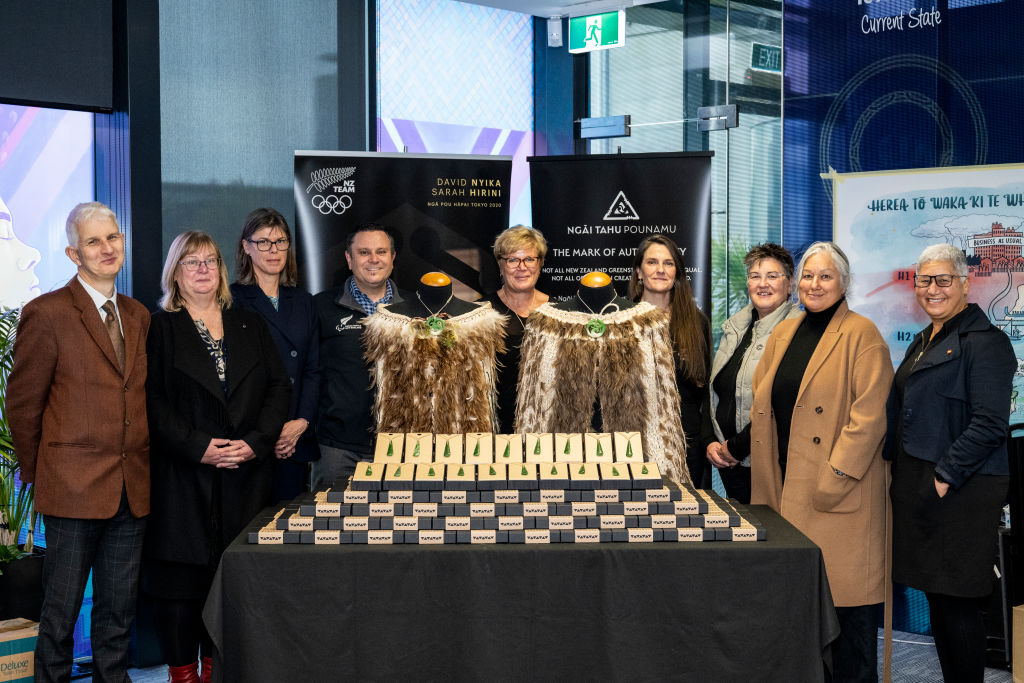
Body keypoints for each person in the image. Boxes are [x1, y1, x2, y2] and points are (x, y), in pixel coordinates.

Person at [7, 201, 150, 683]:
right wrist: (41, 473)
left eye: (112, 237)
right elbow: (22, 407)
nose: (107, 248)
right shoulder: (45, 313)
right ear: (73, 253)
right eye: (93, 241)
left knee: (117, 615)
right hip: (69, 490)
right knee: (61, 616)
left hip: (131, 488)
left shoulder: (137, 315)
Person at [145, 231, 289, 683]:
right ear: (175, 273)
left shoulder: (250, 323)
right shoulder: (160, 328)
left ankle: (219, 671)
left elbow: (278, 387)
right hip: (185, 478)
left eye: (210, 261)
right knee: (182, 590)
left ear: (223, 271)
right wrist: (199, 448)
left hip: (246, 476)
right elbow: (151, 402)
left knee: (234, 585)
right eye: (191, 262)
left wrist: (256, 442)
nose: (203, 269)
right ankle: (184, 675)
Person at [750, 241, 893, 681]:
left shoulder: (862, 334)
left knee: (850, 632)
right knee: (805, 634)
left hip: (839, 500)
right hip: (787, 499)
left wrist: (833, 478)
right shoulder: (784, 333)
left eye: (825, 276)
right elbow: (765, 409)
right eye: (809, 276)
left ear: (844, 283)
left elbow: (868, 419)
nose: (815, 284)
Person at [886, 243, 1014, 683]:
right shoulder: (926, 340)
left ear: (964, 283)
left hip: (961, 489)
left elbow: (990, 423)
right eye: (924, 280)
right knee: (940, 601)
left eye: (943, 280)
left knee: (957, 602)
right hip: (924, 484)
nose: (932, 289)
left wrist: (944, 477)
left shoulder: (987, 343)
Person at [230, 208, 319, 502]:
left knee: (290, 532)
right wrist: (270, 432)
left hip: (294, 436)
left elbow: (313, 368)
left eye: (280, 241)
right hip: (252, 438)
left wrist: (301, 422)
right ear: (246, 246)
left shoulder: (304, 301)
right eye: (263, 242)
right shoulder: (230, 301)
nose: (273, 250)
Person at [705, 243, 799, 503]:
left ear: (790, 284)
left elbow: (781, 403)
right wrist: (711, 442)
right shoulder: (735, 328)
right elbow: (717, 391)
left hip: (766, 462)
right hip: (729, 463)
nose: (762, 284)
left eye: (772, 276)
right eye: (755, 276)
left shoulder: (796, 332)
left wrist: (735, 448)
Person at [314, 223, 407, 486]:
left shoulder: (416, 309)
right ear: (349, 259)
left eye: (381, 251)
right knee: (331, 523)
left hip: (401, 446)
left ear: (393, 258)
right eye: (364, 252)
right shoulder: (321, 307)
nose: (374, 259)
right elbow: (309, 373)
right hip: (337, 447)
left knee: (400, 524)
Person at [628, 234, 710, 486]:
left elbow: (704, 390)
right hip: (633, 442)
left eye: (669, 263)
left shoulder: (696, 323)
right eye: (652, 262)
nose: (661, 270)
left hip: (686, 443)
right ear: (639, 272)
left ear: (678, 273)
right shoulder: (620, 320)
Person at [480, 225, 549, 432]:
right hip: (495, 428)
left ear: (540, 263)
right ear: (500, 266)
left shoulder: (558, 314)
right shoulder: (482, 314)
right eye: (512, 260)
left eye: (529, 259)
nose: (522, 267)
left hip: (547, 428)